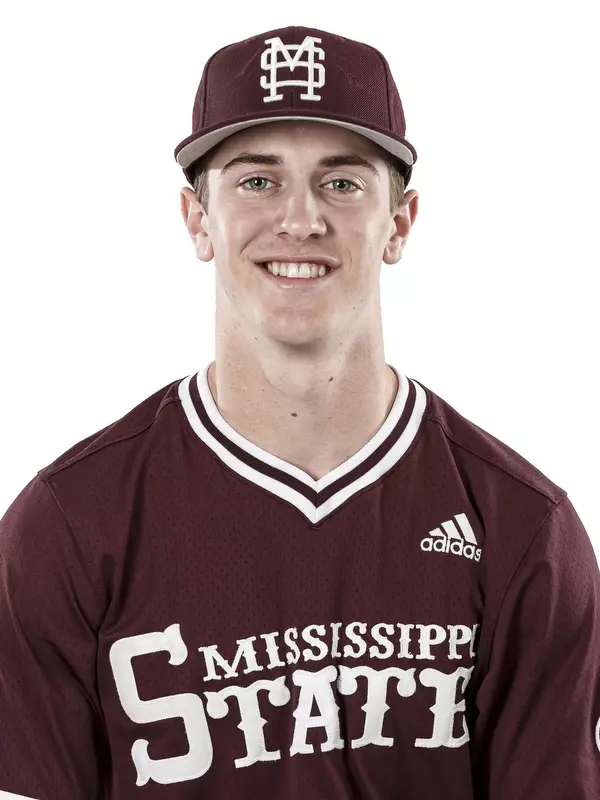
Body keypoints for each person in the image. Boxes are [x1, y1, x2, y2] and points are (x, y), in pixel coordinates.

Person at [0, 24, 598, 800]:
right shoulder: (69, 526)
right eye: (257, 181)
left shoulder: (521, 528)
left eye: (342, 183)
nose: (300, 220)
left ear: (401, 222)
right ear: (196, 219)